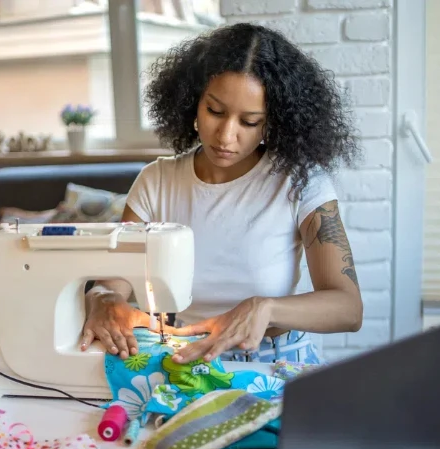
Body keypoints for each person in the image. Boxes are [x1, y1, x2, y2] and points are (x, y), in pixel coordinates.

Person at [80, 22, 363, 367]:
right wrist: (102, 299)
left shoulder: (301, 183)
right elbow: (112, 284)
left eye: (249, 122)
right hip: (187, 360)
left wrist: (265, 308)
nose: (226, 136)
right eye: (215, 111)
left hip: (274, 362)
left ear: (273, 122)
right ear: (192, 101)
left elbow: (348, 308)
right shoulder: (156, 182)